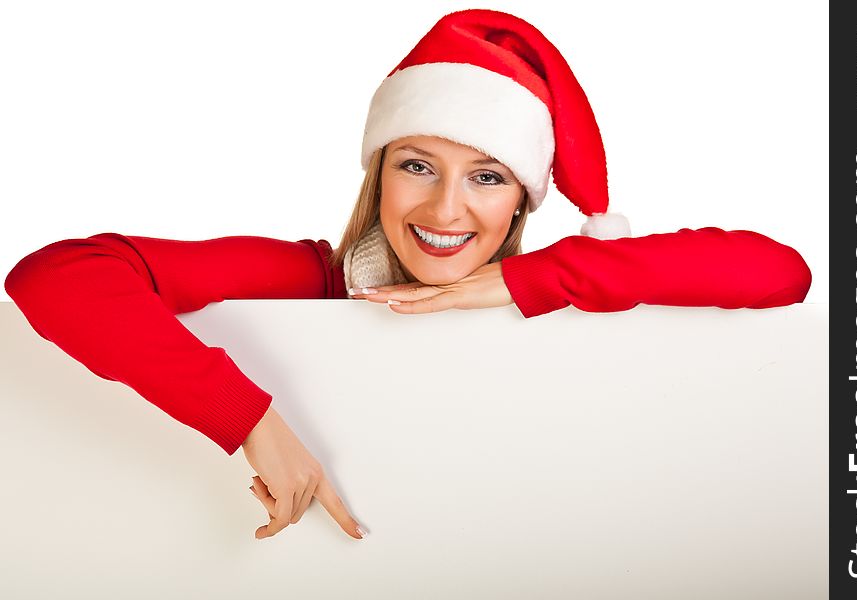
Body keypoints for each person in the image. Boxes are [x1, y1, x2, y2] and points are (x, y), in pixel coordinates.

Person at [3, 9, 812, 543]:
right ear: (378, 172)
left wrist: (520, 284)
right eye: (418, 165)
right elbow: (58, 277)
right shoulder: (309, 277)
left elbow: (779, 271)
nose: (446, 209)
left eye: (487, 177)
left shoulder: (552, 287)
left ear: (523, 197)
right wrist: (251, 420)